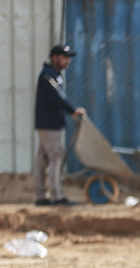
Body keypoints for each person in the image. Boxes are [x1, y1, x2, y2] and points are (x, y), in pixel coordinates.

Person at [34, 45, 86, 206]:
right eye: (65, 57)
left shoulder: (53, 75)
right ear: (55, 57)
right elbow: (57, 97)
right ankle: (57, 196)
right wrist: (72, 110)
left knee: (42, 161)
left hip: (48, 124)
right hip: (49, 125)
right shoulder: (49, 76)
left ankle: (41, 197)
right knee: (56, 157)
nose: (68, 60)